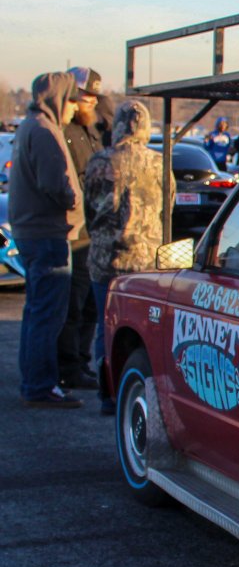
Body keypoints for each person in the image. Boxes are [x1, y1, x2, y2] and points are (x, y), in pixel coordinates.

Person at [86, 100, 171, 414]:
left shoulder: (100, 161)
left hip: (106, 260)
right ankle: (137, 389)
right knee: (142, 330)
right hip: (146, 262)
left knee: (105, 327)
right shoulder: (159, 163)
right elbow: (169, 208)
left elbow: (89, 209)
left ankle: (107, 395)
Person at [10, 73, 83, 408]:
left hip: (35, 233)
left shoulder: (30, 126)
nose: (75, 108)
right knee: (47, 315)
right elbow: (54, 183)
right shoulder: (43, 131)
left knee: (36, 312)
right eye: (72, 100)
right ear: (59, 99)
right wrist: (75, 199)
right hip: (48, 235)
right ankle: (41, 385)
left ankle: (34, 382)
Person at [58, 66, 109, 391]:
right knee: (72, 303)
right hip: (75, 231)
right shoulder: (62, 131)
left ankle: (81, 360)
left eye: (93, 97)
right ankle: (67, 366)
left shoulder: (93, 130)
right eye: (84, 96)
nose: (90, 102)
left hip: (94, 230)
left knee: (90, 303)